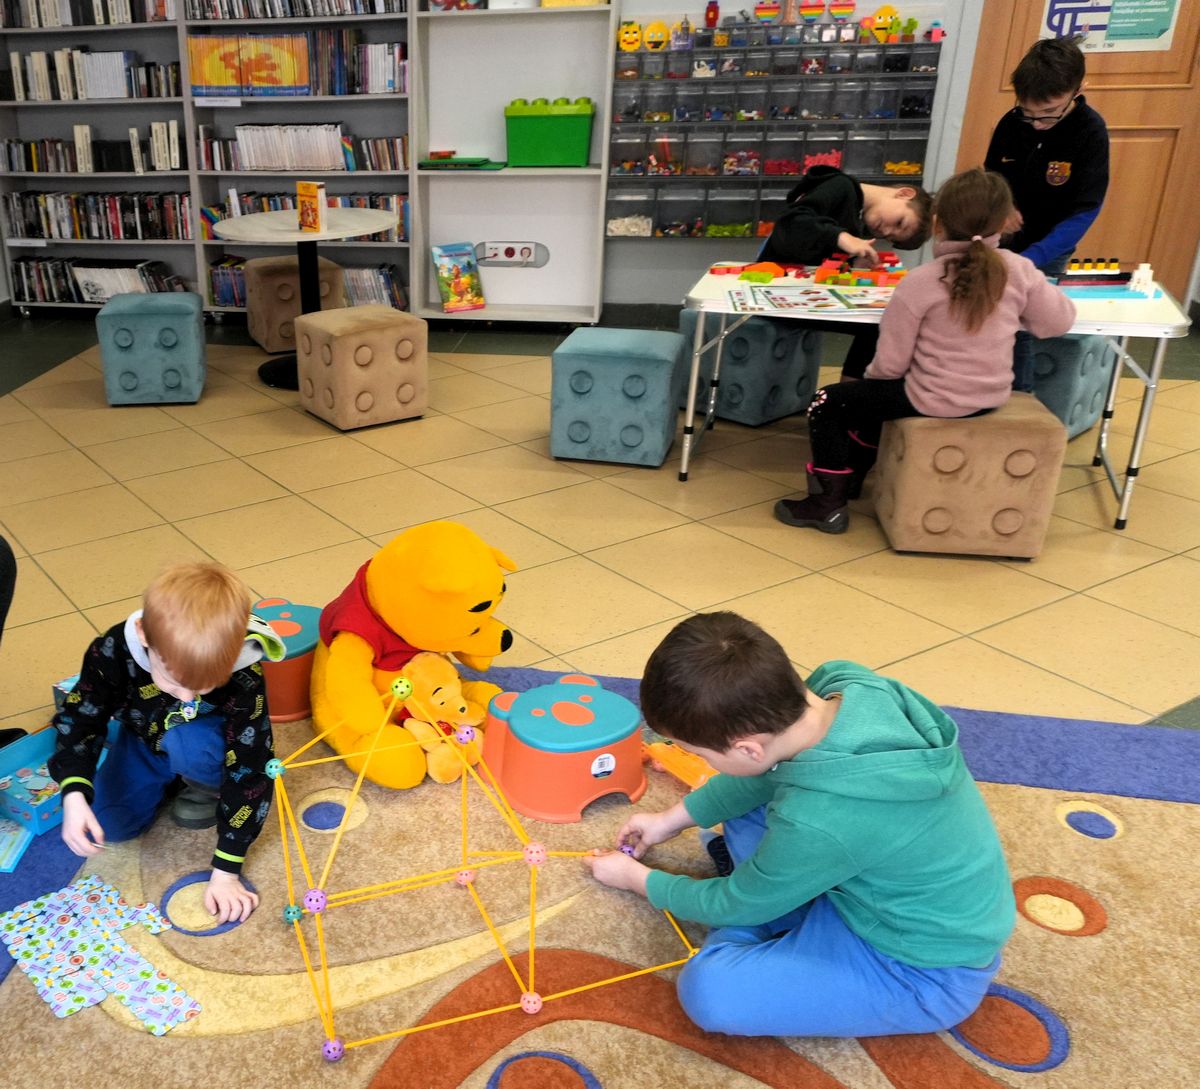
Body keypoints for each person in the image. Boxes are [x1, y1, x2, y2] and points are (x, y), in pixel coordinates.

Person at [583, 611, 1016, 1038]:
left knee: (712, 992)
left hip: (919, 969)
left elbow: (747, 887)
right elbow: (770, 774)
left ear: (748, 748)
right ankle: (777, 903)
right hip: (863, 887)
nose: (700, 760)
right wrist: (671, 819)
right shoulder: (839, 686)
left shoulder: (821, 819)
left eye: (699, 754)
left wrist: (638, 880)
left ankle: (771, 912)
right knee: (749, 803)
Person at [773, 166, 1075, 535]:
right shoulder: (1020, 270)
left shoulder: (920, 282)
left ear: (937, 223)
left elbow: (890, 364)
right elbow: (1057, 323)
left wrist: (872, 387)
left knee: (829, 402)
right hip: (990, 396)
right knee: (871, 400)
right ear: (1006, 222)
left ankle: (827, 503)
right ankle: (853, 478)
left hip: (932, 397)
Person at [48, 561, 285, 923]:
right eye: (174, 682)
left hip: (203, 744)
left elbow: (251, 766)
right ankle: (169, 778)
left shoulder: (244, 668)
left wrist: (227, 870)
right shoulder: (113, 649)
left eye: (205, 686)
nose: (188, 698)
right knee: (111, 825)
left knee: (191, 740)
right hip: (144, 739)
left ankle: (203, 786)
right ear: (143, 634)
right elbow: (80, 718)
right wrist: (74, 793)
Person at [984, 35, 1109, 390]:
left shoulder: (1090, 131)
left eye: (1049, 113)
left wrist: (1035, 257)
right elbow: (992, 177)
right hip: (1002, 241)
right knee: (993, 320)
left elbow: (1086, 209)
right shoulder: (1012, 122)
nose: (1037, 123)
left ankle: (1022, 400)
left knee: (1023, 327)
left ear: (1078, 90)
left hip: (1050, 248)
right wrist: (1002, 206)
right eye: (1029, 113)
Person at [757, 164, 934, 380]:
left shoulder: (857, 216)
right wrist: (842, 238)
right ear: (904, 194)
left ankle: (848, 392)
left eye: (891, 237)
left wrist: (853, 265)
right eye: (899, 222)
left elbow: (820, 257)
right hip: (773, 296)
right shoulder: (841, 186)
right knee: (879, 324)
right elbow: (791, 223)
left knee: (882, 319)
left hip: (798, 294)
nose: (887, 231)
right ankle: (847, 394)